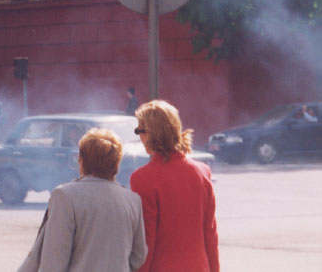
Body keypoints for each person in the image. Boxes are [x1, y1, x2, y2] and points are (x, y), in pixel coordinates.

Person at [18, 128, 147, 272]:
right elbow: (138, 256)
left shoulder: (65, 196)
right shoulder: (132, 200)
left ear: (81, 160)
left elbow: (54, 260)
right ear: (117, 163)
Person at [130, 100, 219, 272]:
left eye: (140, 131)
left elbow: (146, 239)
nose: (140, 137)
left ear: (152, 133)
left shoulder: (142, 178)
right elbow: (210, 233)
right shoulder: (202, 172)